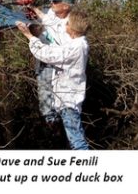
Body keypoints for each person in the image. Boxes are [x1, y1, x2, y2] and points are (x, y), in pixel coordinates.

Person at [16, 9, 90, 150]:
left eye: (67, 23)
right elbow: (54, 27)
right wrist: (37, 12)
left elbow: (48, 54)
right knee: (75, 138)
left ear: (73, 26)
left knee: (77, 141)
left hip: (69, 100)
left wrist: (28, 35)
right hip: (68, 98)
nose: (65, 25)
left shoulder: (76, 47)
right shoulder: (78, 43)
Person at [29, 0, 75, 124]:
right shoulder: (50, 13)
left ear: (66, 5)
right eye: (51, 0)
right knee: (46, 103)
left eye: (55, 1)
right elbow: (43, 25)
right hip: (44, 65)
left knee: (63, 104)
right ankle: (52, 127)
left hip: (58, 67)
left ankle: (60, 129)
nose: (51, 3)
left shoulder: (71, 23)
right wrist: (32, 13)